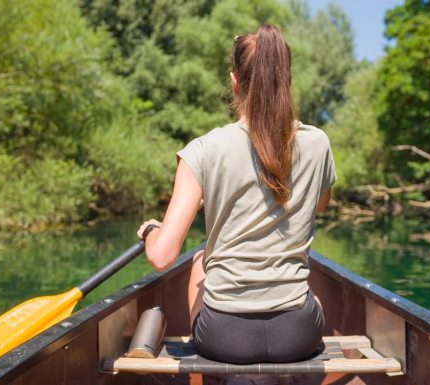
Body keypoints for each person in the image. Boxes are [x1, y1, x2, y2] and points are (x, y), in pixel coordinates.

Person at [137, 24, 336, 364]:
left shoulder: (202, 150)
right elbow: (320, 205)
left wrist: (150, 232)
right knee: (310, 288)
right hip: (298, 335)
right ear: (285, 80)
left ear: (234, 81)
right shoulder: (318, 143)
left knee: (200, 259)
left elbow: (162, 256)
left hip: (224, 337)